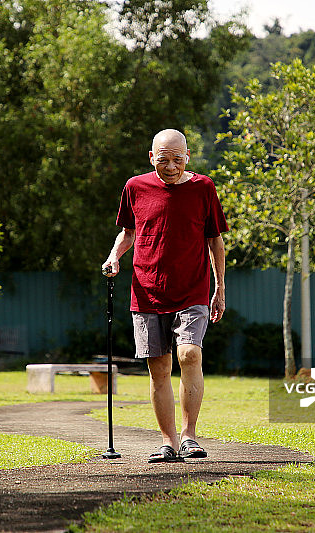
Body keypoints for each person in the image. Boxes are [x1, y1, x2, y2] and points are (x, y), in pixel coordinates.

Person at [102, 128, 228, 463]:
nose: (170, 165)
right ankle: (168, 442)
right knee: (158, 369)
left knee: (189, 355)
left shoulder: (203, 187)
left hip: (193, 289)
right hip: (147, 292)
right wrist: (114, 256)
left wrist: (220, 287)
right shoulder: (136, 187)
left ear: (187, 156)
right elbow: (128, 233)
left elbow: (215, 240)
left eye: (176, 158)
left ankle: (189, 436)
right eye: (163, 158)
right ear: (151, 157)